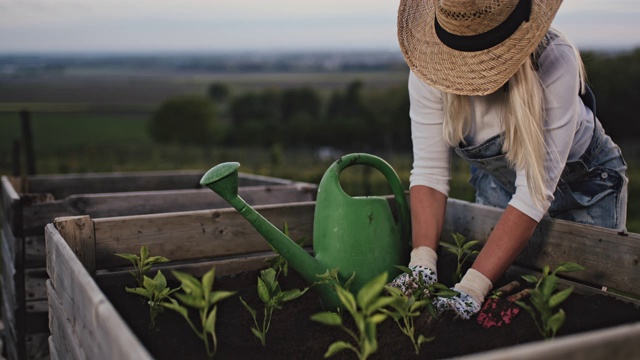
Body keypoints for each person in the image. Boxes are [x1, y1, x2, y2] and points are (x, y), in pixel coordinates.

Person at [390, 0, 628, 319]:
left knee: (579, 311)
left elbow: (532, 194)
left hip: (584, 190)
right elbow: (429, 175)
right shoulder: (429, 72)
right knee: (508, 312)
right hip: (502, 189)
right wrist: (422, 264)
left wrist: (471, 286)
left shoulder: (554, 61)